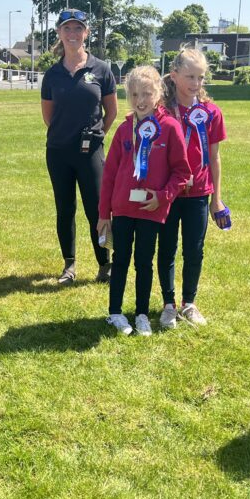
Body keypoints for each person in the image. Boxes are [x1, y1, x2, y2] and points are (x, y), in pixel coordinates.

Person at [97, 66, 190, 336]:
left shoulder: (170, 128)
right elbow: (109, 174)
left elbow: (182, 172)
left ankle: (141, 314)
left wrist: (162, 197)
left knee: (144, 262)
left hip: (150, 210)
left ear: (158, 93)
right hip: (123, 209)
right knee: (121, 260)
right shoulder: (124, 130)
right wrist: (104, 214)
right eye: (135, 94)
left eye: (147, 94)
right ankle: (115, 313)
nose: (140, 100)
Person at [41, 9, 117, 285]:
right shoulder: (52, 74)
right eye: (67, 28)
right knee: (65, 209)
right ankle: (69, 264)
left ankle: (104, 263)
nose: (72, 34)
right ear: (59, 33)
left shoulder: (101, 69)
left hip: (91, 152)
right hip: (59, 152)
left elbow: (111, 111)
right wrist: (67, 134)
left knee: (98, 209)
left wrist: (96, 135)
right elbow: (48, 116)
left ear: (86, 33)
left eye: (78, 28)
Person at [157, 48, 230, 328]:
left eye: (200, 77)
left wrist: (216, 200)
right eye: (190, 77)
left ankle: (189, 302)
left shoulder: (211, 112)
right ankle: (168, 304)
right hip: (168, 192)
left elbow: (215, 157)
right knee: (166, 249)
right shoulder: (161, 111)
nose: (196, 83)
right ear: (174, 75)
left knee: (194, 249)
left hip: (199, 193)